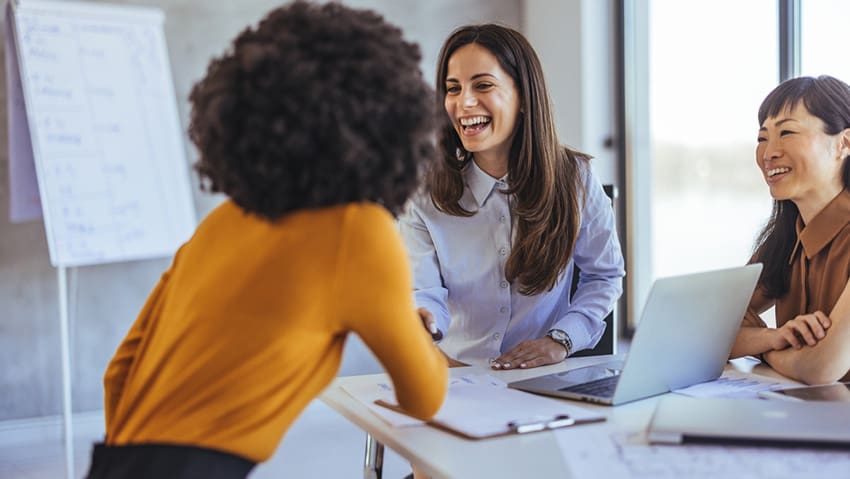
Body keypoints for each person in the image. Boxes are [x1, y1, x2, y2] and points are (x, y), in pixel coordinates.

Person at [85, 2, 448, 478]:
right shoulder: (357, 231)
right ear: (389, 122)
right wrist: (410, 324)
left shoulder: (226, 218)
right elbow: (424, 396)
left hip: (117, 461)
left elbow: (120, 370)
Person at [399, 24, 625, 371]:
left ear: (523, 97)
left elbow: (604, 276)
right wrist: (425, 327)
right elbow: (423, 292)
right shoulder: (423, 193)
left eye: (483, 85)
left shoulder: (575, 179)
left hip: (542, 380)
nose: (464, 102)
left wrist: (560, 341)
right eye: (453, 88)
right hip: (454, 374)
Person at [730, 75, 850, 385]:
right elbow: (708, 330)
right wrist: (775, 337)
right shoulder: (785, 238)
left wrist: (766, 348)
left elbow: (820, 368)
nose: (769, 152)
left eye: (787, 132)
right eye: (762, 138)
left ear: (844, 143)